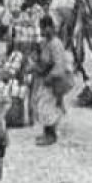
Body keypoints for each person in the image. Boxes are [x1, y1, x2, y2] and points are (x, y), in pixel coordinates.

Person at [34, 15, 72, 147]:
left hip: (53, 80)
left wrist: (49, 78)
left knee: (47, 107)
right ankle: (47, 132)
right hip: (47, 78)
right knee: (42, 105)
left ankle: (51, 134)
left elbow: (59, 66)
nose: (42, 32)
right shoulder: (46, 43)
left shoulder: (56, 44)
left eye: (43, 28)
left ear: (50, 28)